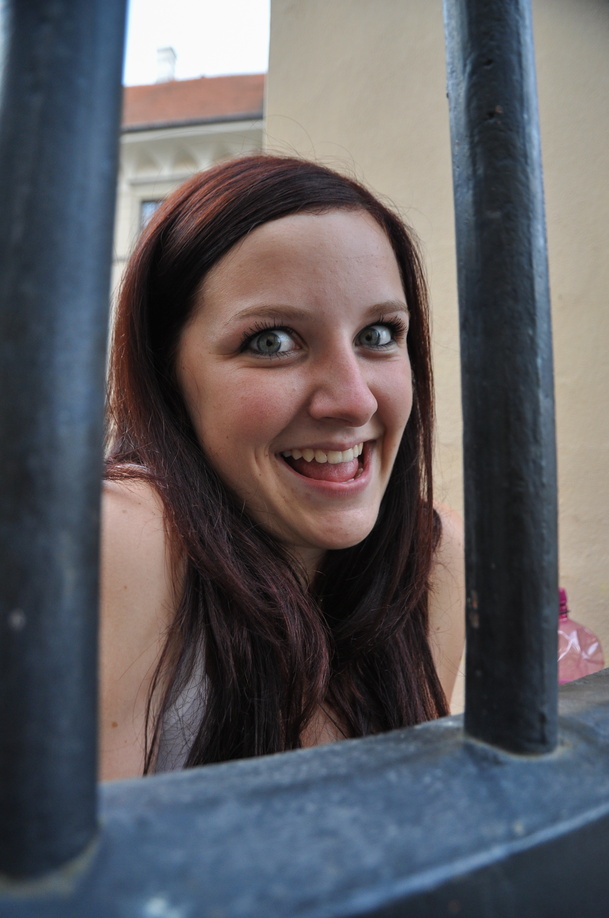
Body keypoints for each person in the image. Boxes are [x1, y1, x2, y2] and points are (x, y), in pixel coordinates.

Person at [99, 154, 464, 781]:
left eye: (379, 334)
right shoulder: (121, 538)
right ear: (167, 373)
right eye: (272, 342)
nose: (355, 401)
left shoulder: (433, 555)